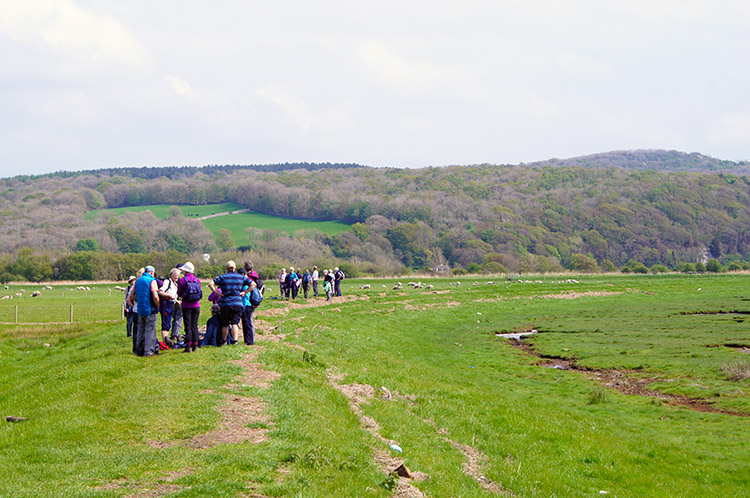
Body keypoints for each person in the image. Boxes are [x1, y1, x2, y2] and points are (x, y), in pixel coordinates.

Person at [209, 260, 255, 345]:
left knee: (225, 324)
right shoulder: (240, 277)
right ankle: (235, 341)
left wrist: (218, 293)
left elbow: (210, 284)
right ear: (235, 268)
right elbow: (253, 284)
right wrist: (244, 292)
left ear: (227, 268)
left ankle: (224, 341)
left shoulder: (223, 277)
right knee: (235, 323)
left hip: (225, 303)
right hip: (237, 302)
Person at [127, 265, 160, 357]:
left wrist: (138, 301)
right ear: (152, 272)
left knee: (140, 330)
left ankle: (139, 351)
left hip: (140, 309)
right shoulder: (152, 281)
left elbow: (132, 294)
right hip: (150, 309)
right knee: (150, 330)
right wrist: (157, 305)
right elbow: (155, 296)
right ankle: (149, 352)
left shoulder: (137, 281)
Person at [177, 261, 202, 353]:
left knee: (188, 326)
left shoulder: (182, 280)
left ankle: (188, 346)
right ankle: (195, 345)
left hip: (186, 305)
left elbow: (179, 293)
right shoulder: (197, 280)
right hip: (196, 305)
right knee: (194, 326)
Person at [158, 268, 180, 348]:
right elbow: (160, 292)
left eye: (177, 275)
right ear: (171, 275)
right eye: (175, 275)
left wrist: (177, 301)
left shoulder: (175, 284)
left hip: (171, 304)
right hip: (166, 304)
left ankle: (166, 341)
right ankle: (164, 342)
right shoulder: (167, 282)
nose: (176, 277)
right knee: (166, 322)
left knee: (168, 323)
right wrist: (169, 295)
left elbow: (174, 296)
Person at [170, 263, 184, 343]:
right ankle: (175, 334)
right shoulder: (181, 277)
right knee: (179, 318)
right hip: (179, 300)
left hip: (173, 300)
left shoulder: (172, 278)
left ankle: (173, 334)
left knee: (174, 318)